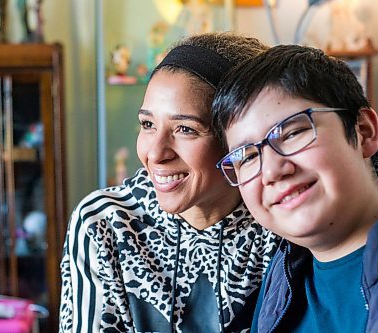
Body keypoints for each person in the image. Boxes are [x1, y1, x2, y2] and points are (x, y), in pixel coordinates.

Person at [59, 32, 280, 333]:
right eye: (148, 124)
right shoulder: (106, 224)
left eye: (186, 129)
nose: (155, 153)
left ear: (239, 140)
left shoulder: (279, 222)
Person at [212, 44, 378, 332]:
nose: (272, 171)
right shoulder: (282, 276)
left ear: (364, 131)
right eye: (248, 157)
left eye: (293, 133)